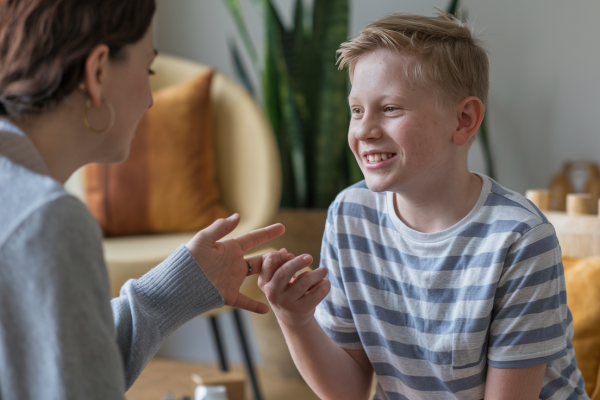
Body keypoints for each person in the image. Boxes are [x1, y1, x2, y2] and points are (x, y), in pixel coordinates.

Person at [257, 11, 589, 400]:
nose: (364, 130)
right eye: (357, 110)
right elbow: (347, 391)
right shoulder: (350, 217)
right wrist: (295, 319)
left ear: (464, 120)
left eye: (391, 108)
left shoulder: (519, 239)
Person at [0, 1, 292, 399]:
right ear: (98, 71)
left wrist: (179, 285)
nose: (152, 99)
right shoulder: (46, 220)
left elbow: (61, 364)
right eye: (149, 70)